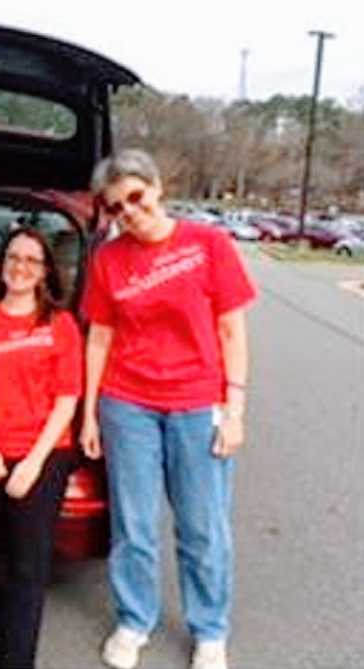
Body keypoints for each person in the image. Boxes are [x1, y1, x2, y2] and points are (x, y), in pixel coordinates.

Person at [80, 149, 256, 669]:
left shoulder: (209, 244)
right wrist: (89, 412)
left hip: (197, 403)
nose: (129, 212)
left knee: (203, 525)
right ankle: (135, 620)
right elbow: (99, 339)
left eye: (135, 197)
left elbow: (232, 330)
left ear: (157, 188)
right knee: (133, 525)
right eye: (116, 207)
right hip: (127, 404)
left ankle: (210, 630)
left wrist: (236, 407)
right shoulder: (108, 260)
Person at [0, 227, 84, 669]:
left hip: (44, 451)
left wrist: (33, 462)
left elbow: (68, 399)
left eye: (31, 259)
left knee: (29, 564)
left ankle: (17, 660)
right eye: (13, 257)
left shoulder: (60, 325)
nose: (20, 267)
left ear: (45, 271)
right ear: (1, 264)